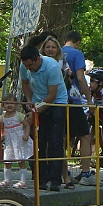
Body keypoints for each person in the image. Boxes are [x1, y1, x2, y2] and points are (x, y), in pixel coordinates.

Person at [20, 43, 68, 192]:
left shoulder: (51, 66)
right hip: (38, 102)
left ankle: (55, 180)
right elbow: (25, 83)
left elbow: (52, 95)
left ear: (38, 59)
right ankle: (41, 179)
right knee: (38, 141)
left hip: (56, 103)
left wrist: (36, 111)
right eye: (26, 66)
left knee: (55, 142)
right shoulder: (24, 66)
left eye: (31, 65)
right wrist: (29, 101)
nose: (29, 68)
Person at [39, 34, 74, 188]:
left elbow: (70, 78)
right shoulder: (38, 63)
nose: (50, 49)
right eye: (48, 47)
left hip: (58, 101)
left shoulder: (61, 62)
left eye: (53, 47)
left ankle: (62, 177)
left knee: (57, 142)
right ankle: (43, 176)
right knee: (43, 142)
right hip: (43, 101)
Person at [62, 31, 95, 186]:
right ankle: (86, 172)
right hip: (73, 99)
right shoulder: (77, 54)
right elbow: (80, 77)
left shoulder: (57, 51)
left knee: (62, 137)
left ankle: (62, 171)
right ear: (78, 42)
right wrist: (88, 99)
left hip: (58, 99)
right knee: (85, 135)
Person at [0, 94, 33, 189]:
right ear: (3, 105)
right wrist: (1, 135)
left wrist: (26, 135)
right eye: (6, 103)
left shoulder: (19, 115)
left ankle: (23, 181)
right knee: (7, 160)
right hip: (9, 142)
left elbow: (27, 125)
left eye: (11, 103)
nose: (9, 105)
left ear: (16, 104)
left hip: (18, 141)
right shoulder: (2, 117)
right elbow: (2, 128)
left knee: (20, 160)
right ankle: (6, 180)